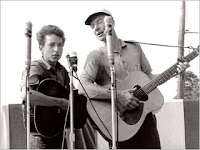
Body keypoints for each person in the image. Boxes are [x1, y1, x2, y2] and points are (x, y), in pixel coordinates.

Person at [78, 9, 189, 149]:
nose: (96, 28)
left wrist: (174, 72)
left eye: (99, 22)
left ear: (111, 22)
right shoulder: (95, 55)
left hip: (144, 117)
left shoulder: (134, 47)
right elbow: (83, 87)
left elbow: (149, 78)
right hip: (119, 123)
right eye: (92, 26)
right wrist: (118, 96)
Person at [20, 25, 70, 149]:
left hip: (58, 132)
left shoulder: (62, 70)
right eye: (51, 45)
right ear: (41, 47)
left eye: (60, 45)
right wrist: (59, 102)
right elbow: (27, 95)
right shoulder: (35, 68)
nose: (56, 49)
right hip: (40, 135)